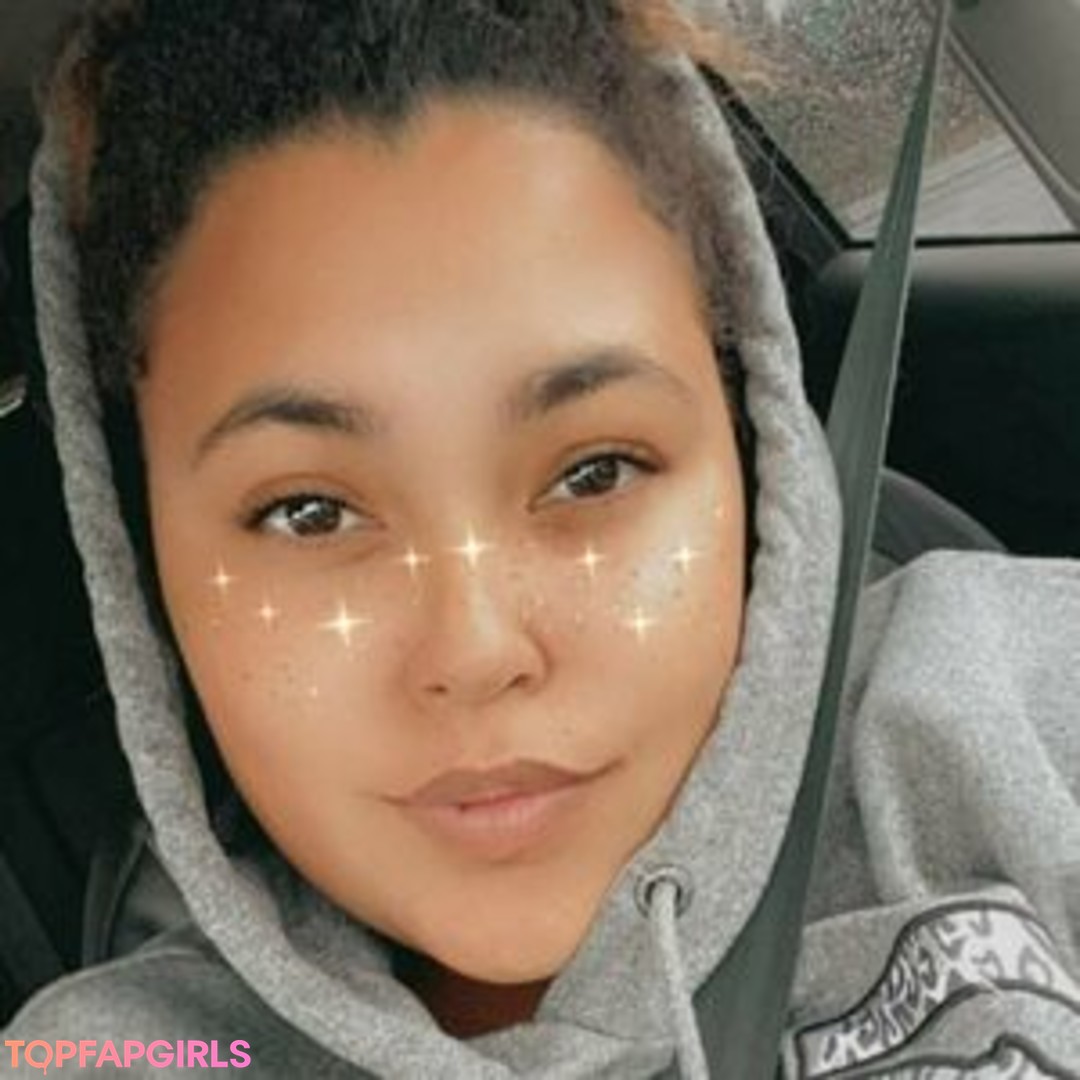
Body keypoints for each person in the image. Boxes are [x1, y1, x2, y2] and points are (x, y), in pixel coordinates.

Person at [4, 1, 1079, 1076]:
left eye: (594, 471)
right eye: (309, 512)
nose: (477, 649)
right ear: (147, 571)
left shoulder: (1008, 714)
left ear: (750, 446)